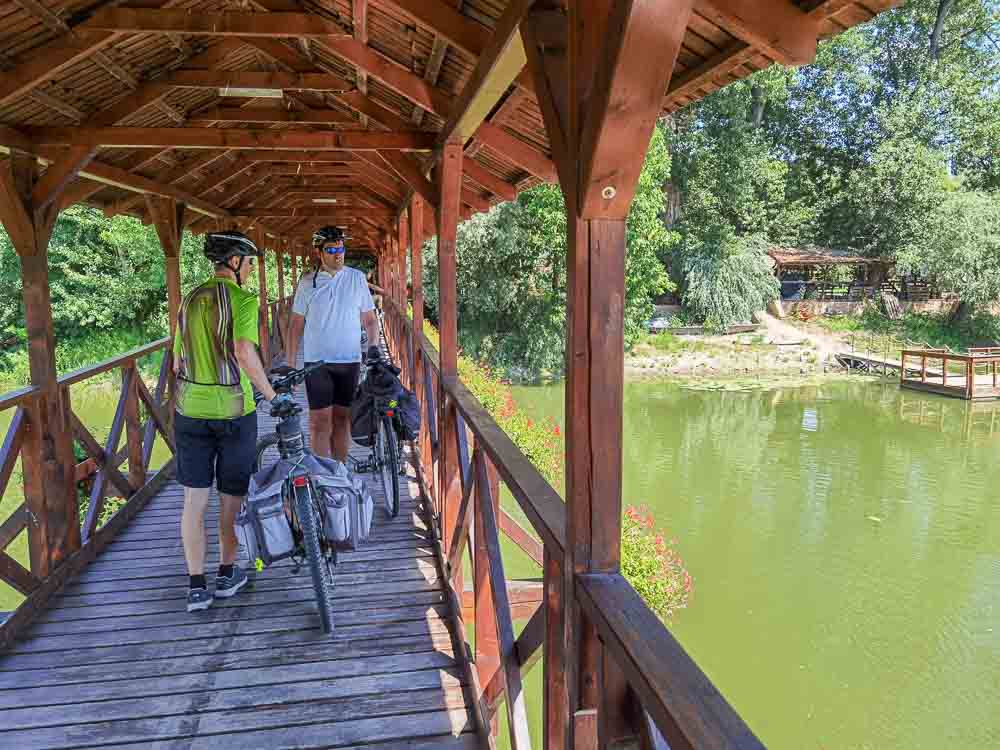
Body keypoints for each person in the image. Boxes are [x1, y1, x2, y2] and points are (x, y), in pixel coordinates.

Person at [173, 230, 293, 613]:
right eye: (249, 262)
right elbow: (244, 351)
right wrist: (273, 397)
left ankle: (195, 586)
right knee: (231, 496)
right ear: (236, 263)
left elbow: (177, 361)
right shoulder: (241, 299)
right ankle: (226, 574)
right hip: (233, 412)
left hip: (189, 410)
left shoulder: (189, 300)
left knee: (194, 499)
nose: (250, 269)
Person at [285, 226, 380, 463]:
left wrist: (374, 348)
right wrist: (289, 365)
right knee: (319, 423)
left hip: (349, 361)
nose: (338, 253)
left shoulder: (357, 278)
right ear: (319, 252)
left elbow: (369, 320)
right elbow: (295, 326)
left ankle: (339, 474)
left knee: (341, 420)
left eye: (341, 248)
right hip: (316, 363)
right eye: (332, 249)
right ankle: (320, 478)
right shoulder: (307, 282)